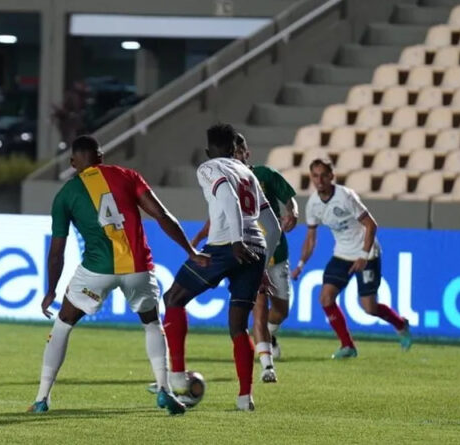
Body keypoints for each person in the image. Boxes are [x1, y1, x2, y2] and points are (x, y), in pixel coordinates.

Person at [28, 135, 210, 415]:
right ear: (100, 156)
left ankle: (42, 398)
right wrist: (190, 250)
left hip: (96, 271)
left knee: (64, 323)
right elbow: (162, 215)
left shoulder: (66, 193)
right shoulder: (128, 176)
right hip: (138, 268)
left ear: (73, 162)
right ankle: (164, 389)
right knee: (151, 324)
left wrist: (51, 290)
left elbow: (57, 252)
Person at [162, 123, 282, 411]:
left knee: (173, 298)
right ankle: (245, 397)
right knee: (238, 326)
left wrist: (237, 241)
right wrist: (262, 264)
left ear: (209, 150)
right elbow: (274, 228)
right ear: (233, 147)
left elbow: (227, 196)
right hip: (256, 250)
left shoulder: (208, 167)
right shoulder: (248, 173)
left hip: (227, 246)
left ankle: (176, 376)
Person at [190, 133, 298, 383]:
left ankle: (270, 335)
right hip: (251, 253)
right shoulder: (226, 179)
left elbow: (288, 199)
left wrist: (293, 211)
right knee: (258, 309)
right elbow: (218, 215)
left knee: (281, 311)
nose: (237, 154)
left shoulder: (264, 175)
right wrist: (197, 238)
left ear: (247, 154)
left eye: (241, 150)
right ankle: (267, 367)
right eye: (233, 150)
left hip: (276, 253)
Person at [291, 158, 411, 359]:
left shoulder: (345, 197)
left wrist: (364, 256)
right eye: (314, 176)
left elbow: (371, 225)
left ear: (332, 176)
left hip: (367, 252)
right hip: (342, 254)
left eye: (323, 175)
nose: (319, 180)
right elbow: (311, 238)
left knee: (369, 308)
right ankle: (348, 346)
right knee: (325, 298)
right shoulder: (312, 204)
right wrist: (301, 265)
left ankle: (400, 324)